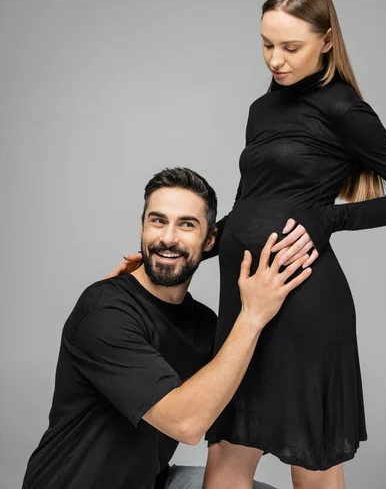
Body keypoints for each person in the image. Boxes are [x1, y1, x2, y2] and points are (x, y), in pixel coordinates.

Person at [112, 0, 386, 489]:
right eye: (267, 44)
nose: (276, 59)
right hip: (244, 303)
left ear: (327, 40)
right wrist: (184, 253)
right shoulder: (261, 111)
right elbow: (251, 206)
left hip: (303, 300)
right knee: (228, 449)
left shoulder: (342, 108)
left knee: (310, 456)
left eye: (291, 47)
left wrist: (331, 218)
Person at [22, 167, 312, 489]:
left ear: (210, 239)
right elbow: (187, 424)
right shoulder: (104, 312)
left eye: (187, 225)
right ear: (143, 228)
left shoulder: (203, 323)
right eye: (158, 221)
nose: (168, 238)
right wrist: (253, 316)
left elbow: (242, 393)